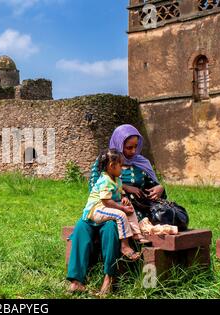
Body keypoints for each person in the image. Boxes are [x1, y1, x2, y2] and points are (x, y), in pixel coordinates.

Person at [67, 124, 166, 296]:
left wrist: (160, 188)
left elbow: (153, 189)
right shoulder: (105, 161)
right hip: (101, 208)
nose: (133, 151)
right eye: (128, 147)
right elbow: (95, 187)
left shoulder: (142, 164)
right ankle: (76, 280)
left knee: (111, 230)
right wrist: (126, 188)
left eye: (136, 146)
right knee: (81, 228)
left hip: (129, 212)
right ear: (119, 144)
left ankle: (108, 279)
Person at [84, 149, 146, 262]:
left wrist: (124, 200)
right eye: (121, 165)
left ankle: (136, 233)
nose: (122, 168)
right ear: (112, 166)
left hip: (106, 206)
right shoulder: (105, 180)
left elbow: (120, 193)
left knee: (130, 209)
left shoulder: (117, 179)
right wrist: (121, 208)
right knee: (121, 214)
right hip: (96, 209)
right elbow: (106, 201)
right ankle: (125, 246)